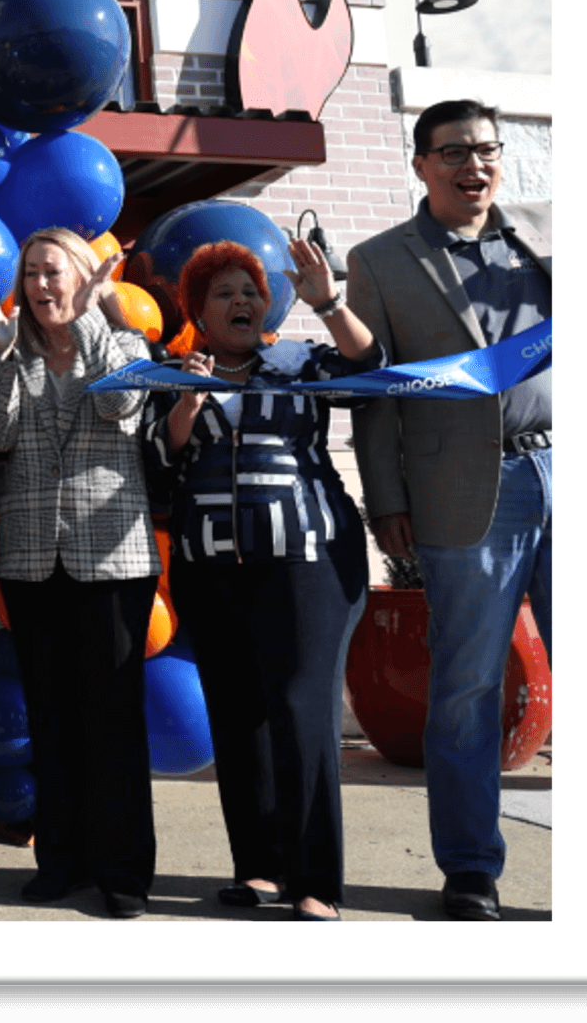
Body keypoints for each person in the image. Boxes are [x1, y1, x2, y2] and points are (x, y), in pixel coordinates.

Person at [346, 99, 551, 923]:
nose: (475, 165)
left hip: (564, 461)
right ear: (420, 163)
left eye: (487, 150)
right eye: (455, 152)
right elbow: (374, 395)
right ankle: (470, 867)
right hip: (463, 494)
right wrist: (385, 501)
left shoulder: (545, 236)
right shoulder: (380, 260)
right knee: (465, 687)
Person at [152, 236, 379, 921]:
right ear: (197, 310)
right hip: (208, 564)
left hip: (306, 557)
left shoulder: (300, 359)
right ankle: (258, 868)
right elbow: (160, 464)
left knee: (300, 711)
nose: (241, 301)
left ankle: (315, 881)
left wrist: (330, 302)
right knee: (237, 717)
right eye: (222, 293)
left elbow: (369, 366)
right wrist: (185, 409)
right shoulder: (171, 372)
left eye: (248, 290)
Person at [0, 227, 157, 920]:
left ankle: (123, 871)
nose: (42, 285)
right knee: (52, 718)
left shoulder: (127, 347)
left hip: (110, 558)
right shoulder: (11, 352)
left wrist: (92, 317)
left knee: (110, 722)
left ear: (82, 277)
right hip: (30, 558)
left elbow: (120, 406)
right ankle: (62, 860)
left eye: (54, 272)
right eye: (33, 274)